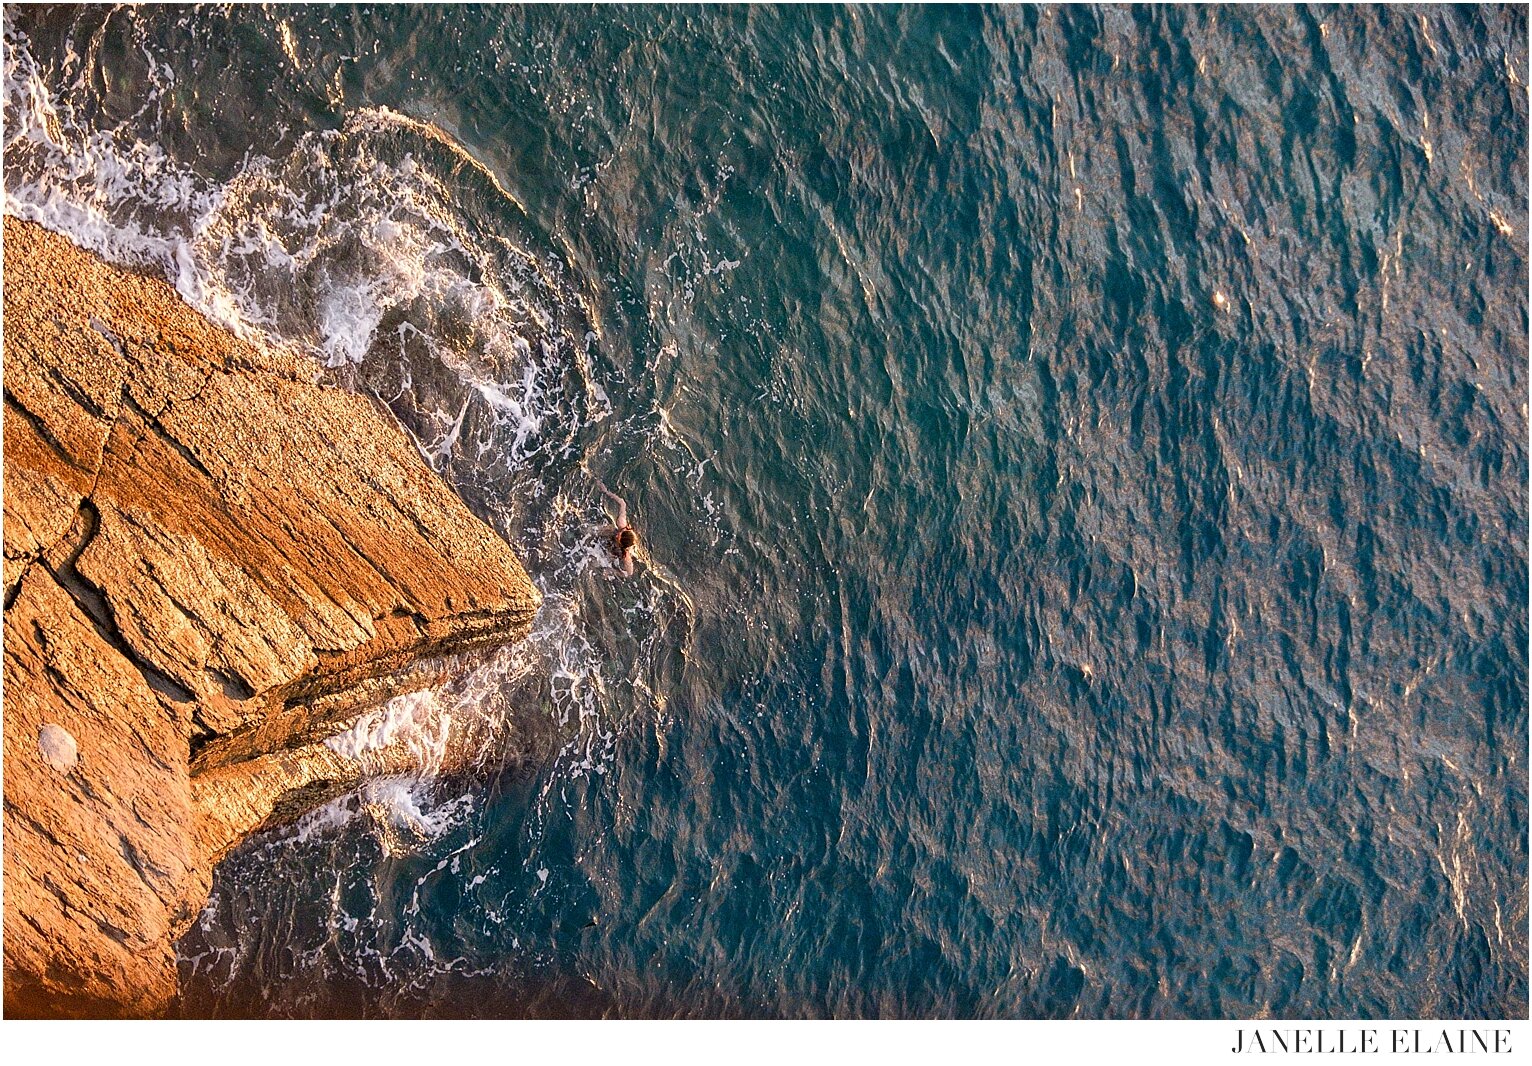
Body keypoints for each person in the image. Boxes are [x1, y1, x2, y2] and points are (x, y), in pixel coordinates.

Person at [598, 482, 638, 577]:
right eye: (620, 534)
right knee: (592, 530)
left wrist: (612, 571)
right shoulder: (621, 524)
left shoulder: (626, 555)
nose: (617, 536)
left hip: (615, 551)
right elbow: (622, 503)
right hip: (612, 533)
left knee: (595, 562)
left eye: (618, 538)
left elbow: (629, 573)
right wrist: (606, 492)